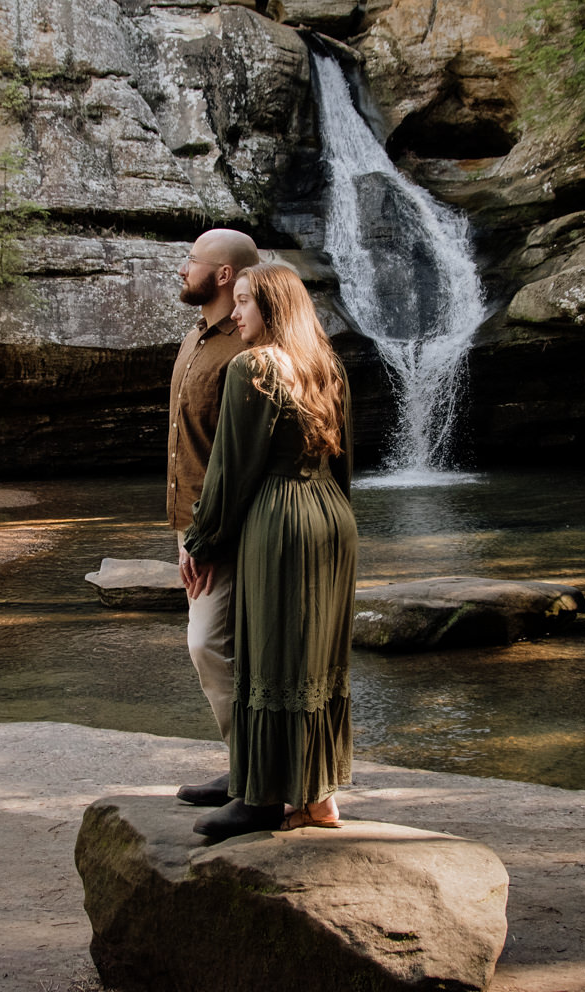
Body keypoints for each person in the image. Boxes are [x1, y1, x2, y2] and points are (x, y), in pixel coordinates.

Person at [182, 263, 357, 838]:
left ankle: (260, 797)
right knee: (316, 660)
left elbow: (232, 473)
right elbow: (344, 464)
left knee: (270, 654)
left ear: (273, 307)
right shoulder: (325, 365)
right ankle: (316, 797)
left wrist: (201, 542)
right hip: (331, 516)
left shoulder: (252, 368)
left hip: (279, 518)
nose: (236, 313)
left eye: (246, 302)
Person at [169, 228, 261, 808]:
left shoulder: (246, 348)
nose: (182, 268)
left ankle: (255, 775)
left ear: (223, 275)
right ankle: (243, 768)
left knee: (208, 645)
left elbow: (236, 456)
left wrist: (204, 537)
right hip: (190, 523)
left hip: (220, 525)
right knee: (219, 647)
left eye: (193, 260)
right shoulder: (197, 336)